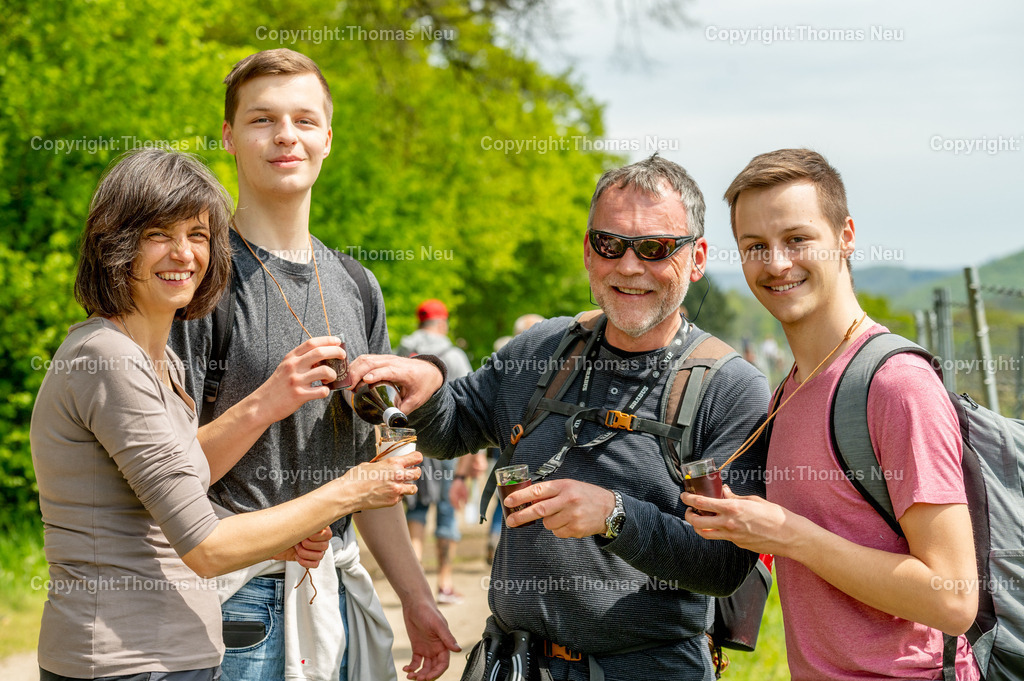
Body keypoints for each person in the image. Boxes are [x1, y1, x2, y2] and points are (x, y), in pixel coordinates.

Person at [348, 155, 770, 680]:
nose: (629, 266)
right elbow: (453, 428)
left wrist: (615, 515)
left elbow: (725, 566)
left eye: (656, 248)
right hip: (513, 664)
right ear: (588, 250)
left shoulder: (729, 387)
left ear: (698, 257)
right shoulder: (545, 347)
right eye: (609, 244)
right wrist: (429, 389)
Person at [30, 148, 423, 681]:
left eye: (197, 235)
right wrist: (355, 488)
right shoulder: (108, 357)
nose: (183, 254)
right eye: (157, 234)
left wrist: (281, 533)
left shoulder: (158, 358)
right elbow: (205, 547)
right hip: (126, 661)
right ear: (115, 244)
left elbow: (179, 496)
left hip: (172, 654)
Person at [169, 49, 457, 681]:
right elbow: (168, 479)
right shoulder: (197, 280)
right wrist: (267, 399)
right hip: (239, 604)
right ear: (229, 137)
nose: (284, 136)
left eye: (303, 119)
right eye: (261, 120)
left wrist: (415, 598)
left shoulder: (357, 284)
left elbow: (371, 475)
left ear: (328, 137)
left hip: (338, 588)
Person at [683, 148, 979, 680]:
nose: (776, 263)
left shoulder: (895, 385)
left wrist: (789, 535)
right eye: (755, 246)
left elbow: (954, 599)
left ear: (845, 236)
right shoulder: (790, 391)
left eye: (797, 239)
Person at [396, 299, 476, 605]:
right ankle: (444, 584)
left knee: (415, 512)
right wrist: (475, 457)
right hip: (446, 448)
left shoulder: (401, 353)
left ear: (419, 323)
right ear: (442, 324)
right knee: (445, 511)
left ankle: (416, 589)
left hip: (409, 445)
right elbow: (470, 408)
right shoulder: (453, 355)